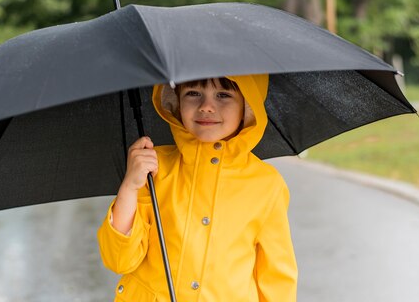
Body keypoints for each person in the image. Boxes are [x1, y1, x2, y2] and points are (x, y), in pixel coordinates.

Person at [97, 74, 297, 301]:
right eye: (193, 93)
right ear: (176, 99)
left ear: (247, 106)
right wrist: (129, 188)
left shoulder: (267, 185)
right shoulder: (153, 168)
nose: (207, 107)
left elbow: (277, 278)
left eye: (223, 95)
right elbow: (119, 260)